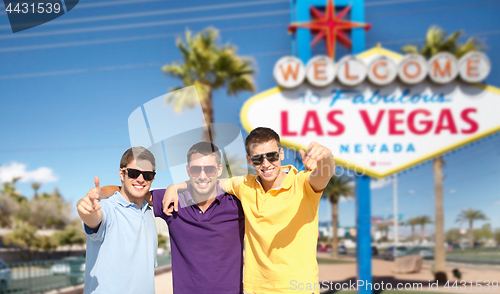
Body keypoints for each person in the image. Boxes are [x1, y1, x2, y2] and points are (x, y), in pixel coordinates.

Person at [163, 127, 335, 294]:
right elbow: (207, 182)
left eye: (272, 156)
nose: (266, 164)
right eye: (258, 159)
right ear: (249, 160)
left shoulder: (304, 183)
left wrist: (325, 157)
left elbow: (324, 174)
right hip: (255, 289)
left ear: (281, 154)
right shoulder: (244, 184)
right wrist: (176, 186)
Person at [99, 142, 245, 294]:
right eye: (196, 169)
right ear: (188, 170)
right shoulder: (172, 201)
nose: (202, 176)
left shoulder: (237, 203)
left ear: (219, 169)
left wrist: (177, 185)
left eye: (209, 169)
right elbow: (129, 190)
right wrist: (97, 193)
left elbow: (257, 181)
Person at [76, 147, 158, 294]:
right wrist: (87, 212)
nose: (140, 179)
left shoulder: (148, 212)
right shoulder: (108, 208)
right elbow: (95, 220)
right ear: (122, 173)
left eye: (147, 175)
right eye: (134, 173)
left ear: (153, 178)